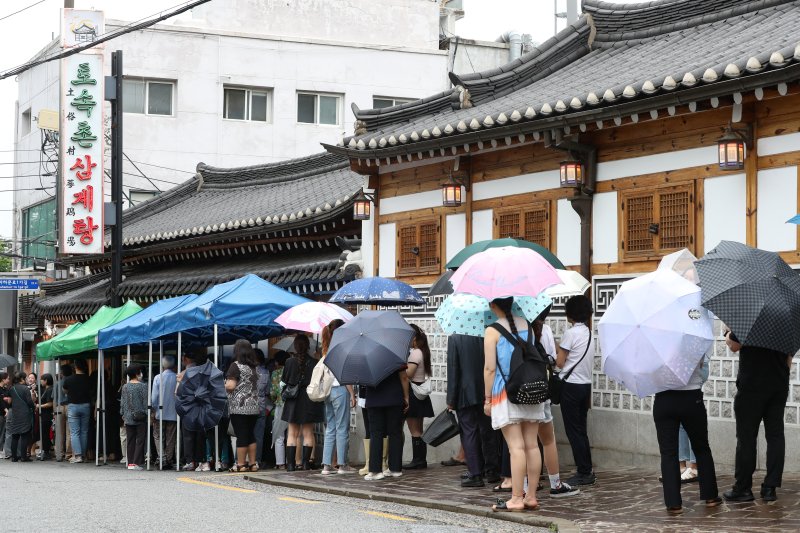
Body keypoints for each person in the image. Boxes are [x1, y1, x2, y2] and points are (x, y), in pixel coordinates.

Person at [484, 297, 545, 512]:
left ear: (493, 305)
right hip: (529, 389)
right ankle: (531, 496)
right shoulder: (527, 325)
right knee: (531, 445)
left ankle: (516, 498)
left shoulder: (492, 331)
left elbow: (490, 369)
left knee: (516, 447)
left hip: (505, 391)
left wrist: (487, 399)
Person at [723, 331, 791, 502]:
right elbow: (789, 358)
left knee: (746, 438)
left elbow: (733, 346)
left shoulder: (750, 320)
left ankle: (743, 488)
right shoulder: (787, 324)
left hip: (751, 385)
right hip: (778, 384)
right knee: (775, 435)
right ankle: (770, 488)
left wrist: (727, 332)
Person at [651, 349, 720, 514]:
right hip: (691, 398)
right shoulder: (695, 338)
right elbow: (702, 368)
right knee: (701, 448)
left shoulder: (655, 344)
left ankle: (673, 503)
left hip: (664, 399)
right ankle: (710, 497)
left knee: (668, 453)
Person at [533, 318, 579, 498]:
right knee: (547, 440)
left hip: (518, 394)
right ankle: (555, 483)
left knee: (526, 444)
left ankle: (527, 487)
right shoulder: (543, 330)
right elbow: (553, 359)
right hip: (540, 390)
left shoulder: (508, 330)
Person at [447, 333, 500, 488]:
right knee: (489, 430)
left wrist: (451, 398)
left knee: (469, 431)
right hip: (488, 389)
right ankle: (492, 470)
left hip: (465, 392)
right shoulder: (489, 333)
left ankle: (475, 473)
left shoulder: (455, 337)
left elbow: (453, 368)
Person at [556, 295, 596, 487]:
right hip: (585, 386)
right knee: (581, 429)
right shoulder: (589, 332)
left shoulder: (571, 334)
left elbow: (560, 362)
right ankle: (587, 469)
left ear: (570, 314)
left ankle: (584, 471)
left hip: (570, 386)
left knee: (574, 431)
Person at [281, 335, 324, 471]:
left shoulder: (289, 362)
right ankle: (305, 464)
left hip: (293, 400)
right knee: (308, 433)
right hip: (309, 399)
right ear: (308, 346)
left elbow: (284, 381)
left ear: (294, 346)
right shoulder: (314, 362)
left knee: (292, 434)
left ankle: (291, 465)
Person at [320, 319, 356, 475]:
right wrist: (352, 394)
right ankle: (342, 465)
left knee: (331, 428)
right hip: (340, 390)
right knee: (342, 428)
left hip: (327, 391)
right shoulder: (342, 349)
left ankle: (326, 465)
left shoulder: (325, 349)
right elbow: (345, 375)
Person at [364, 366, 409, 480]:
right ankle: (395, 469)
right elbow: (403, 377)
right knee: (395, 432)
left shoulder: (366, 356)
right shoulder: (395, 353)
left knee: (376, 433)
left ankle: (375, 471)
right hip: (394, 397)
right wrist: (407, 397)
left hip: (374, 398)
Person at [225, 339, 262, 472]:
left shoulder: (235, 366)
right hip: (254, 406)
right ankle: (252, 464)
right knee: (250, 434)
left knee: (241, 435)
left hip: (239, 406)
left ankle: (241, 464)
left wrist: (223, 385)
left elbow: (231, 386)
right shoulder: (254, 368)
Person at [403, 324, 434, 470]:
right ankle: (420, 459)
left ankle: (418, 460)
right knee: (418, 430)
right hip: (419, 393)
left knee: (415, 430)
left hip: (413, 393)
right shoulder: (423, 351)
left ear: (414, 337)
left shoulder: (415, 353)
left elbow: (408, 374)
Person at [178, 349, 214, 472]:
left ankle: (190, 462)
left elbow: (177, 392)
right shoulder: (205, 373)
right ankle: (202, 461)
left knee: (188, 436)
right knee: (200, 436)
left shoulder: (183, 374)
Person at [151, 356, 178, 470]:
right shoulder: (177, 377)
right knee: (171, 437)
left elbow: (154, 397)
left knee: (158, 435)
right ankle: (169, 459)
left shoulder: (158, 377)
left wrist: (153, 410)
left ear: (162, 365)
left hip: (160, 412)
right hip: (173, 412)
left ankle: (161, 457)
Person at [63, 359, 92, 464]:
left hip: (73, 406)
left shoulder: (69, 379)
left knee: (74, 432)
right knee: (84, 431)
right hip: (86, 406)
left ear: (75, 367)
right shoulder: (88, 379)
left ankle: (78, 456)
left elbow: (65, 390)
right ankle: (83, 455)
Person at [120, 365, 148, 470]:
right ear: (137, 373)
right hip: (140, 417)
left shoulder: (125, 387)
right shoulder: (143, 386)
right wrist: (147, 414)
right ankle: (136, 462)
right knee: (140, 440)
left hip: (128, 416)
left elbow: (122, 403)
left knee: (130, 440)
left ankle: (130, 463)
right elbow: (145, 403)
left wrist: (123, 414)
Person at [5, 372, 35, 462]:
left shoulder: (11, 388)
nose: (26, 380)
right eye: (25, 378)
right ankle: (23, 457)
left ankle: (14, 457)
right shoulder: (25, 389)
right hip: (25, 414)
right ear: (22, 379)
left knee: (15, 435)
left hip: (15, 413)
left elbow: (9, 402)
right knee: (24, 435)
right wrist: (33, 406)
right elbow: (29, 402)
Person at [269, 350, 290, 469]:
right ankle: (292, 461)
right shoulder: (291, 371)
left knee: (278, 435)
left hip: (279, 405)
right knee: (293, 434)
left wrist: (274, 399)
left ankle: (280, 463)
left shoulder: (275, 373)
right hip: (291, 405)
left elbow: (272, 392)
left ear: (277, 362)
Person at [253, 349, 271, 470]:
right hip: (261, 405)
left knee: (246, 434)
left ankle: (244, 460)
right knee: (259, 436)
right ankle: (257, 460)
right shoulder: (266, 372)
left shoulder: (247, 371)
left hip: (248, 405)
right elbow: (268, 391)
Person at [54, 364, 73, 462]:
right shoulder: (72, 381)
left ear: (62, 373)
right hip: (70, 406)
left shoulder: (57, 383)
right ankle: (69, 454)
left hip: (59, 407)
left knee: (59, 432)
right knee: (69, 432)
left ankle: (59, 453)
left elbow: (54, 398)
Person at [37, 374, 55, 461]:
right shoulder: (45, 389)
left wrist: (39, 406)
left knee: (45, 433)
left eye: (41, 380)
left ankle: (46, 451)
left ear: (46, 381)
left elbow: (50, 403)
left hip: (47, 415)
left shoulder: (50, 390)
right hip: (44, 414)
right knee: (44, 433)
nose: (40, 381)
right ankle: (45, 450)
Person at [0, 372, 10, 460]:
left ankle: (1, 450)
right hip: (1, 413)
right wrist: (5, 409)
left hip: (5, 413)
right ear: (3, 379)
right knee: (1, 432)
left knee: (3, 432)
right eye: (7, 378)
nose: (9, 380)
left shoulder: (5, 389)